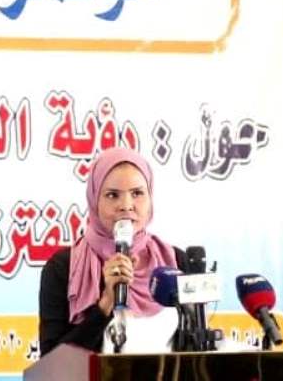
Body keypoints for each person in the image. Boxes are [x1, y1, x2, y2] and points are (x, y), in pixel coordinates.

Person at [38, 147, 183, 356]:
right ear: (94, 200)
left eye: (137, 193)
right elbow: (51, 362)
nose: (126, 205)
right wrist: (105, 305)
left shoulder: (176, 262)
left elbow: (196, 350)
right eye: (112, 195)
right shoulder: (63, 268)